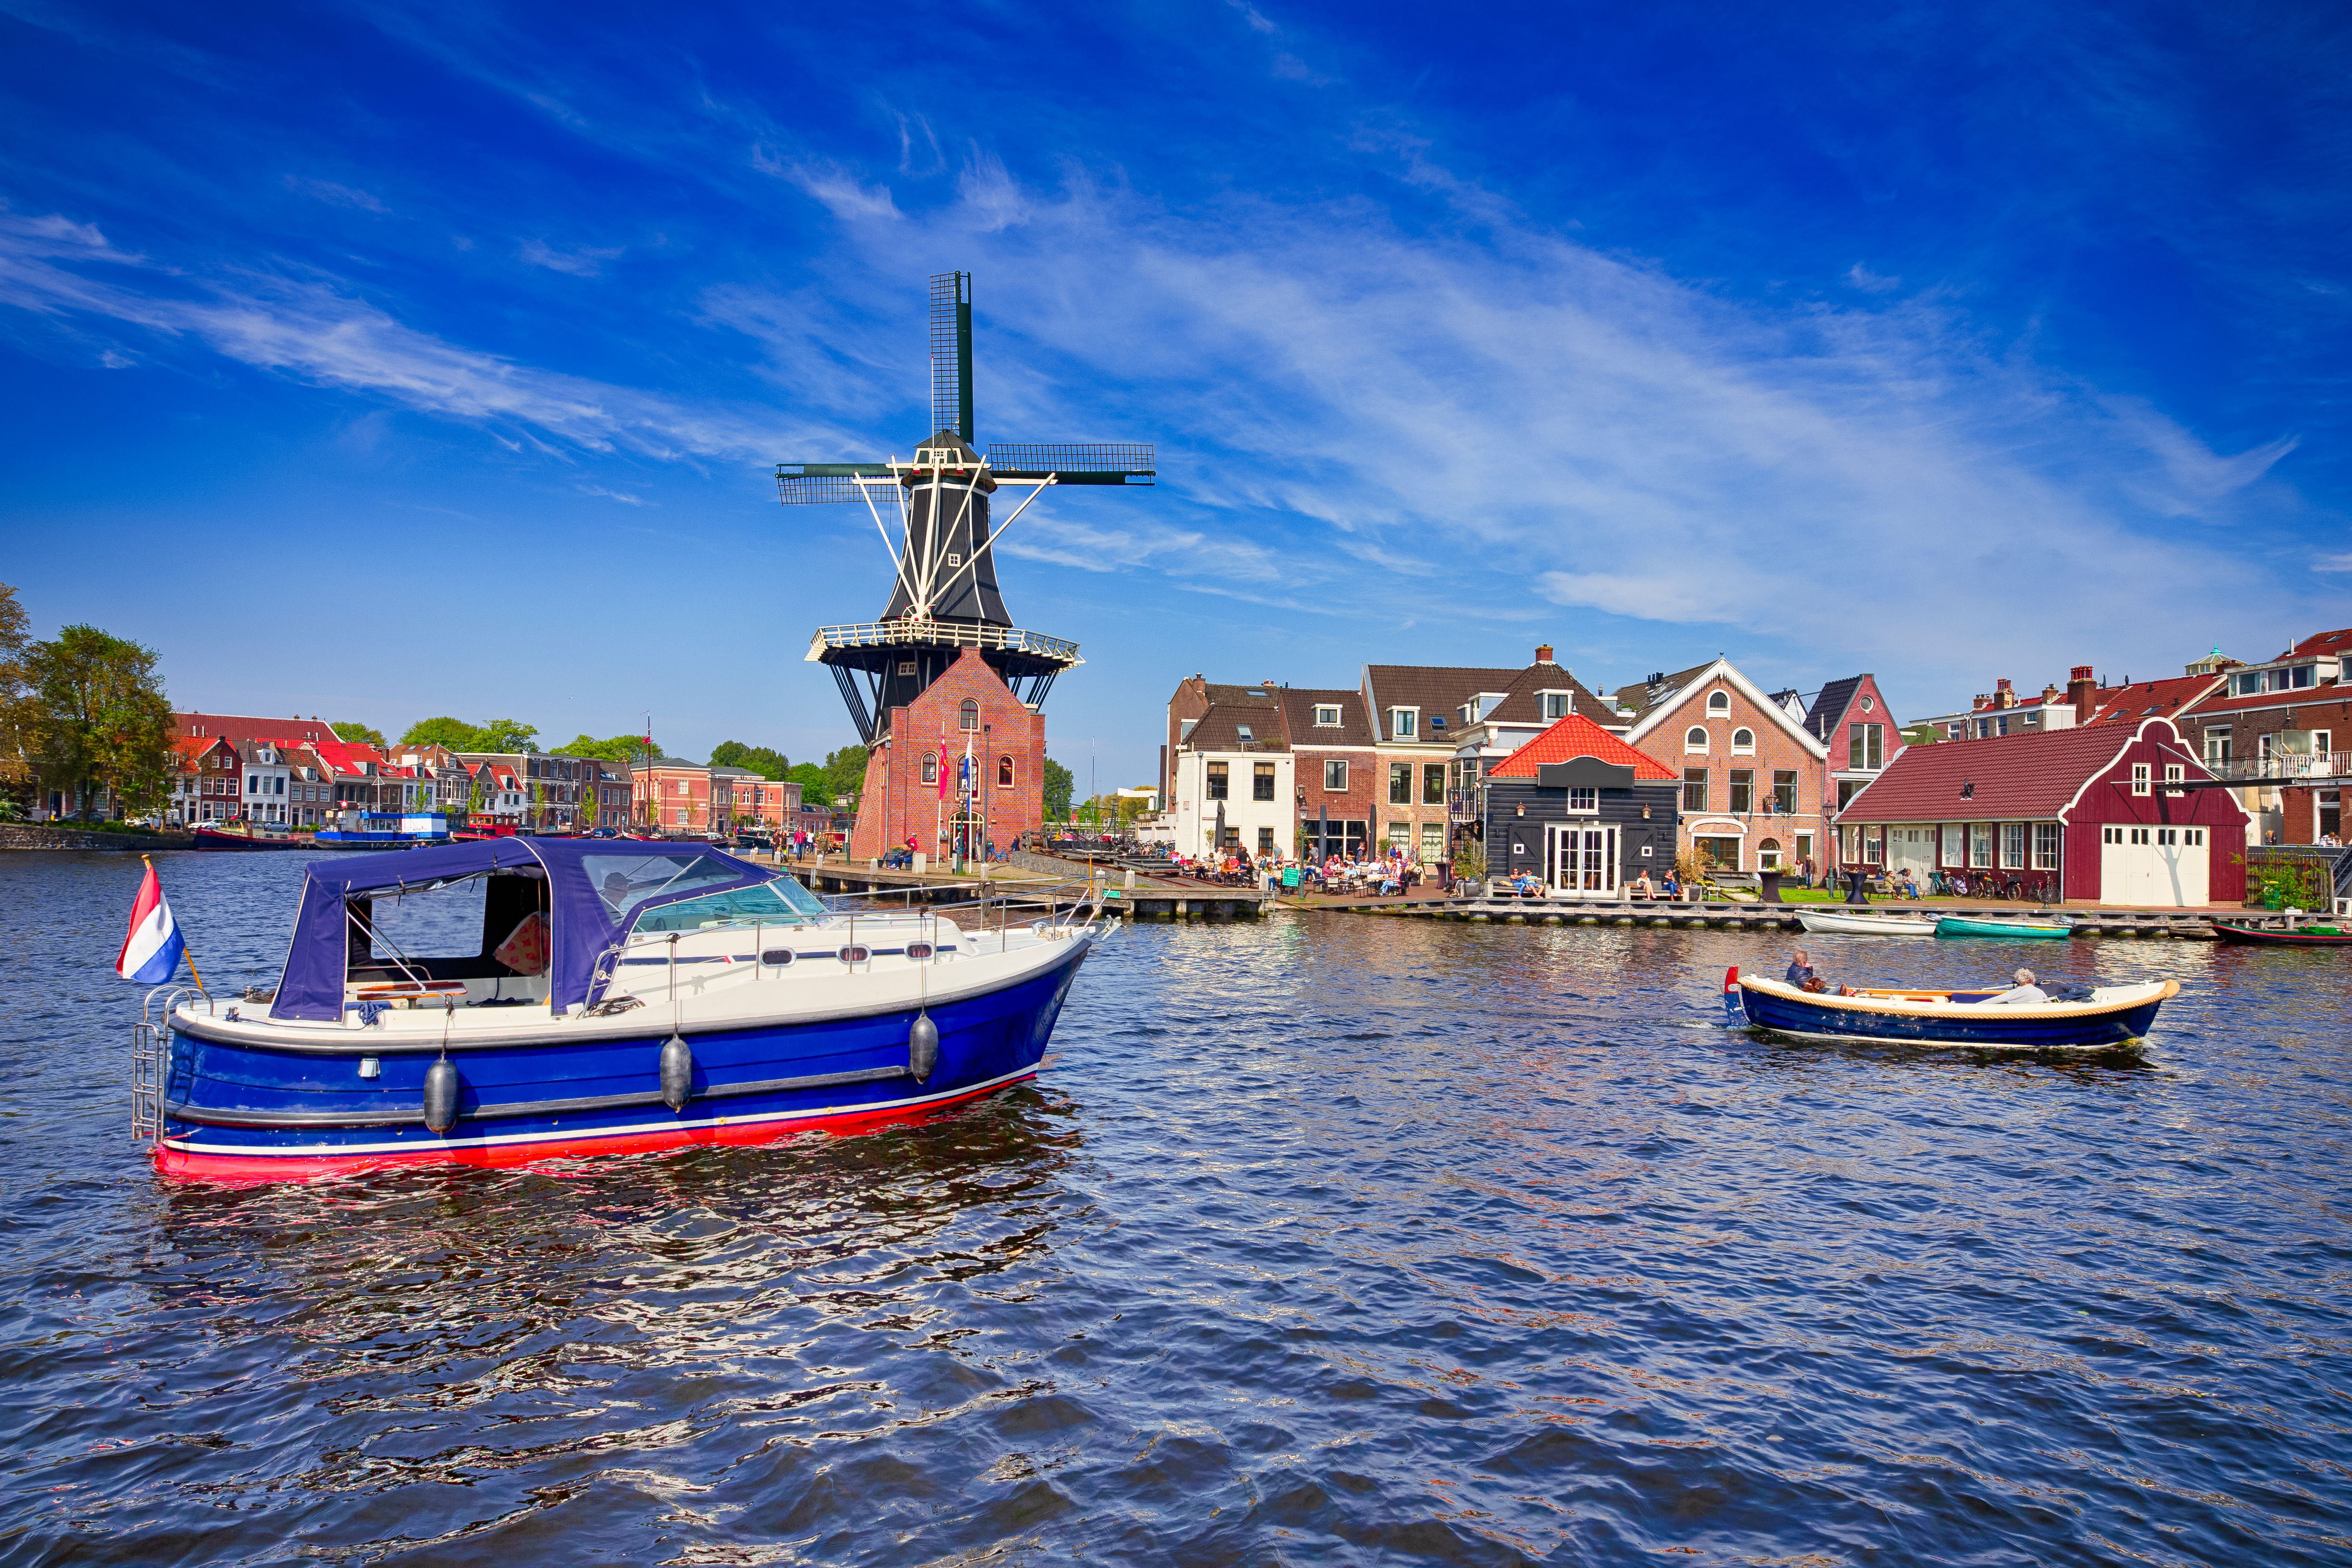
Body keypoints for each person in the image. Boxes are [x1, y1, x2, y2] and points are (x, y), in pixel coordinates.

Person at [1983, 967, 2048, 1005]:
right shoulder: (2040, 992)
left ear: (2020, 981)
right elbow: (2049, 1003)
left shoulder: (2017, 991)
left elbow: (2000, 999)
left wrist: (1978, 1005)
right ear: (2033, 980)